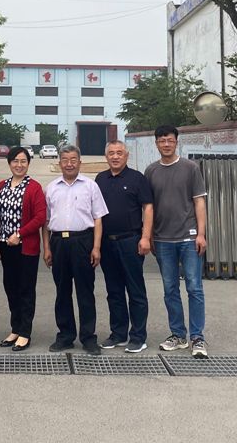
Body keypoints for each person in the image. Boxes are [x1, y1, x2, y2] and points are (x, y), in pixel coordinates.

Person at [145, 124, 209, 358]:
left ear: (176, 142)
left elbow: (199, 202)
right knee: (170, 288)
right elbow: (148, 207)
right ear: (156, 144)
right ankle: (178, 335)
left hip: (188, 238)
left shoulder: (190, 168)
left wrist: (201, 233)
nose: (166, 144)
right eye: (162, 140)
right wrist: (149, 235)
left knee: (194, 287)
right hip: (163, 239)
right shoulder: (151, 171)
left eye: (170, 140)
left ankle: (197, 337)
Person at [42, 144, 109, 356]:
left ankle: (88, 338)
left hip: (83, 242)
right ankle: (65, 336)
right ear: (59, 163)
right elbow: (45, 222)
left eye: (73, 160)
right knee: (62, 291)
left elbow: (98, 219)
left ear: (80, 162)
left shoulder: (90, 186)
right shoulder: (51, 188)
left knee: (85, 291)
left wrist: (96, 247)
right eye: (65, 160)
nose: (69, 164)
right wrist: (47, 248)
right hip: (58, 243)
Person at [95, 140, 154, 354]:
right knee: (114, 291)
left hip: (131, 241)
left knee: (135, 290)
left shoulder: (137, 178)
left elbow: (148, 208)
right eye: (111, 153)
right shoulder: (100, 179)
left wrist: (145, 237)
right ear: (106, 156)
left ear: (126, 156)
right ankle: (118, 334)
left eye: (119, 153)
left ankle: (138, 337)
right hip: (107, 243)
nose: (115, 156)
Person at [0, 146, 46, 352]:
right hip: (5, 247)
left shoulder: (34, 187)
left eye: (23, 161)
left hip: (26, 247)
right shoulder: (1, 185)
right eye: (15, 161)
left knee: (25, 289)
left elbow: (40, 217)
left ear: (28, 163)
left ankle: (25, 332)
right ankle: (15, 328)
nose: (19, 165)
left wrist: (20, 234)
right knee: (11, 288)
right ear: (9, 163)